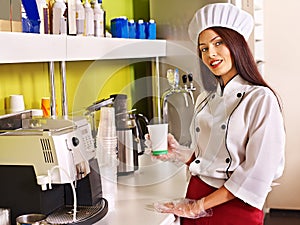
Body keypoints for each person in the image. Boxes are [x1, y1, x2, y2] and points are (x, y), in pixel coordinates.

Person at [148, 3, 286, 225]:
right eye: (203, 48)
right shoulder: (206, 98)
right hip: (195, 196)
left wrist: (198, 207)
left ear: (236, 44)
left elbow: (256, 174)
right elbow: (210, 160)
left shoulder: (260, 99)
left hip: (233, 207)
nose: (210, 53)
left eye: (218, 43)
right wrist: (178, 153)